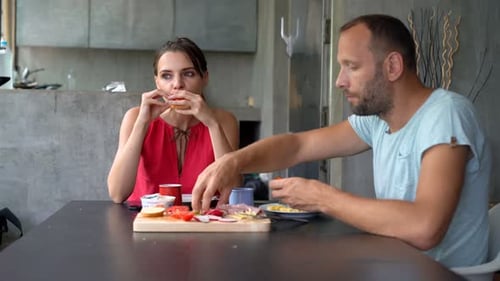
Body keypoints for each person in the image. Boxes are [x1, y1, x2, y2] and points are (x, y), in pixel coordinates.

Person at [191, 14, 492, 268]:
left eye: (352, 66)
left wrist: (322, 198)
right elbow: (298, 146)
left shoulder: (446, 115)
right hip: (397, 266)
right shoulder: (378, 120)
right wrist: (233, 161)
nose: (339, 81)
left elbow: (425, 227)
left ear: (392, 66)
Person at [107, 37, 239, 204]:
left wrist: (212, 124)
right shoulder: (135, 117)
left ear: (205, 78)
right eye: (167, 76)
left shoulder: (224, 121)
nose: (177, 84)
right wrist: (142, 124)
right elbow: (117, 194)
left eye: (188, 74)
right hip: (145, 221)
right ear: (157, 82)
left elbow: (233, 191)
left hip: (204, 222)